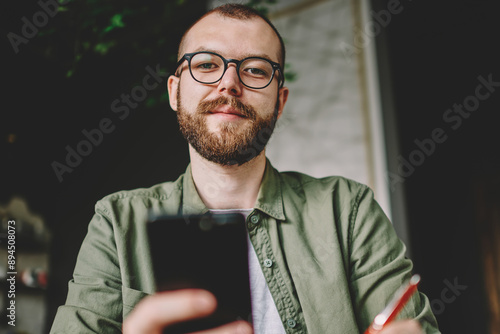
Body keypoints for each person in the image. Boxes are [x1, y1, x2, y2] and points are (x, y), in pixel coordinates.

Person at [50, 3, 440, 334]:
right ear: (174, 91)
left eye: (254, 69)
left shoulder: (347, 209)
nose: (229, 83)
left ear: (280, 101)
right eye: (206, 64)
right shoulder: (116, 222)